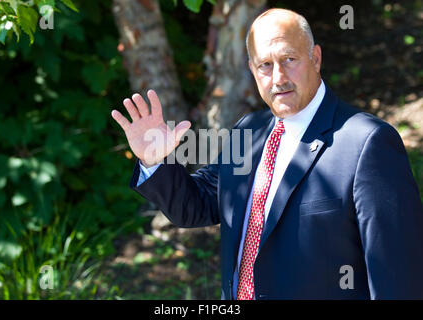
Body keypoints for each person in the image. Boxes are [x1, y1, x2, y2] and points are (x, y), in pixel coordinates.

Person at [111, 8, 423, 299]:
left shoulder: (367, 142)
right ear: (252, 69)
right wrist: (156, 161)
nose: (278, 78)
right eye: (265, 65)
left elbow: (397, 274)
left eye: (289, 59)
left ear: (315, 58)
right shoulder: (249, 130)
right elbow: (197, 206)